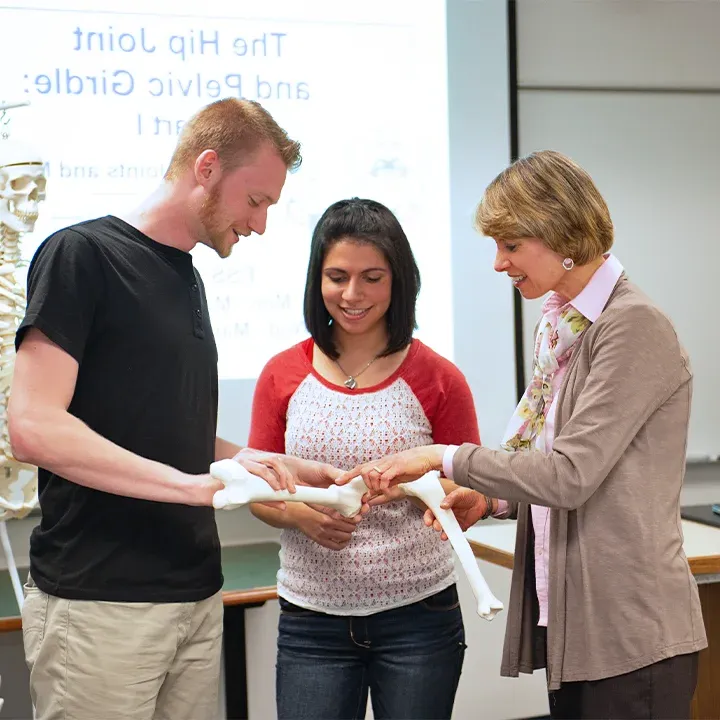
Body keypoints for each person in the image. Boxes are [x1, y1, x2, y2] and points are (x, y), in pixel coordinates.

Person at [338, 151, 707, 720]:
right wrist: (488, 497)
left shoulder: (632, 326)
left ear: (560, 233)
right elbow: (545, 458)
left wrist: (442, 456)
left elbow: (570, 474)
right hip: (581, 627)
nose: (498, 263)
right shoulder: (564, 323)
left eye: (510, 245)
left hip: (631, 633)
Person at [8, 98, 334, 720]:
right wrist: (194, 488)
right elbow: (33, 426)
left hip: (195, 595)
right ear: (207, 167)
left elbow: (160, 429)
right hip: (103, 603)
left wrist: (266, 462)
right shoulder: (82, 255)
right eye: (256, 201)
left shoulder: (186, 276)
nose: (261, 224)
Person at [244, 197, 480, 720]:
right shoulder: (282, 373)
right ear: (317, 279)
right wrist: (300, 516)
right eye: (337, 277)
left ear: (399, 281)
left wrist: (448, 495)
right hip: (311, 620)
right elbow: (260, 490)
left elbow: (470, 485)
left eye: (372, 277)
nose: (352, 295)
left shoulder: (439, 378)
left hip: (420, 616)